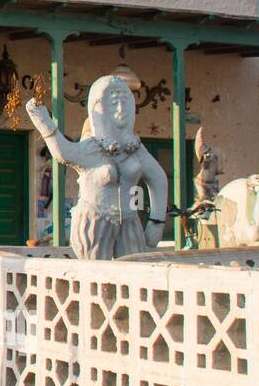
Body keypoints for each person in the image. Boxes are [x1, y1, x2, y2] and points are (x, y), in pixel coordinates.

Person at [25, 75, 168, 260]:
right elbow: (64, 153)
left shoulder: (136, 148)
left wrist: (157, 222)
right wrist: (43, 122)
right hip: (95, 221)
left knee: (133, 275)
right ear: (100, 106)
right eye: (114, 103)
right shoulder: (92, 147)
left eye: (125, 102)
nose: (121, 109)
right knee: (96, 277)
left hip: (130, 222)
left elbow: (158, 178)